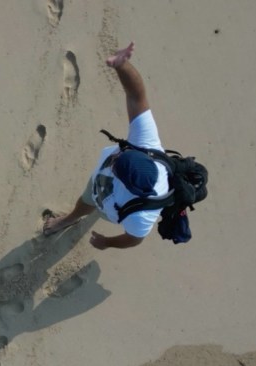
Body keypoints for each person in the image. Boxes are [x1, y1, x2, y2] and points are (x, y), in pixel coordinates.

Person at [43, 42, 167, 250]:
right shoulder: (146, 143)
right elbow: (137, 96)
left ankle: (89, 212)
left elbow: (134, 239)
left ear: (125, 184)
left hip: (114, 207)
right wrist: (121, 65)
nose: (115, 157)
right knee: (86, 199)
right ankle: (69, 218)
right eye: (122, 155)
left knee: (97, 205)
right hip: (103, 190)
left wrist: (107, 243)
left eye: (116, 165)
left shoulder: (140, 216)